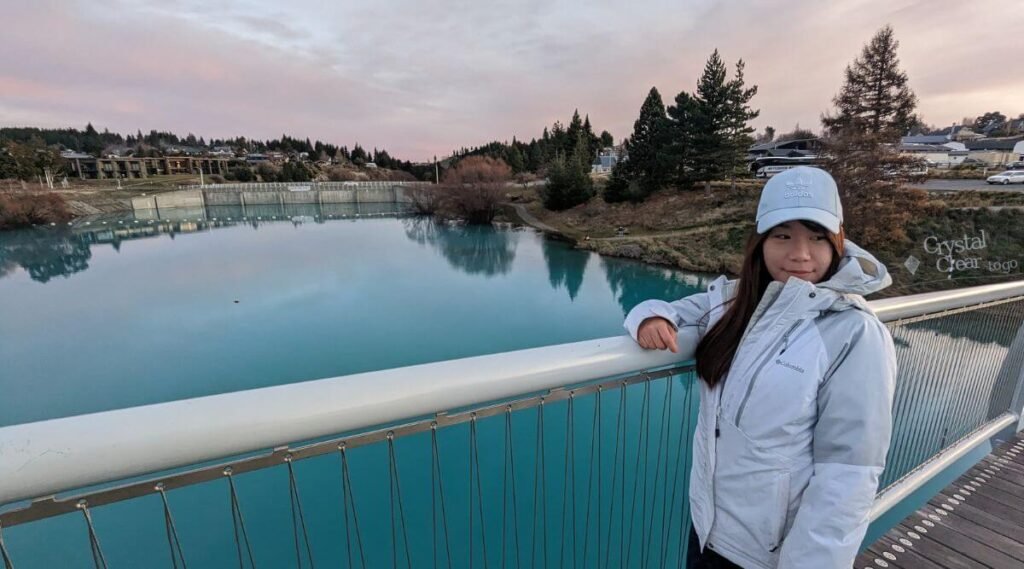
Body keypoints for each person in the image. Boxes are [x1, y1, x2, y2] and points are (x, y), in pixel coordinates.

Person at [624, 166, 896, 568]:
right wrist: (649, 319)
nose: (800, 253)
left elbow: (848, 477)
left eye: (816, 237)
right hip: (708, 532)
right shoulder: (735, 303)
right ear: (760, 241)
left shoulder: (854, 333)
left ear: (837, 243)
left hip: (770, 556)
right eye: (782, 235)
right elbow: (666, 310)